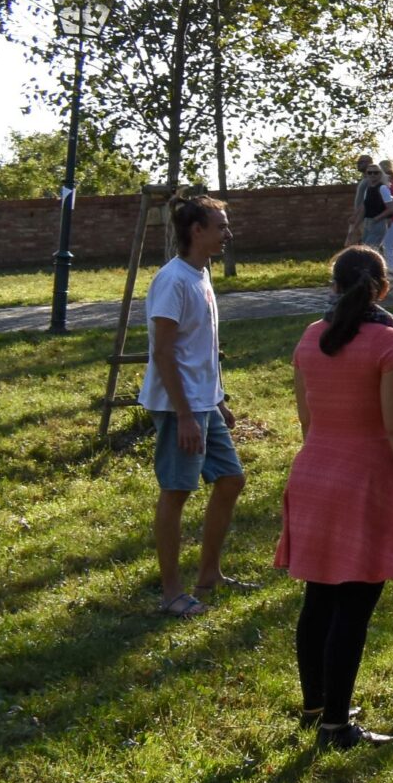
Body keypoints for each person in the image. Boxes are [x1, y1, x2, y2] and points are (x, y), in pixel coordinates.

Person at [278, 245, 393, 750]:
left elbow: (307, 420)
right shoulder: (390, 343)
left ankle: (316, 706)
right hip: (364, 481)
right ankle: (335, 728)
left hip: (313, 474)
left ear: (333, 285)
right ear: (383, 287)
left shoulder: (309, 338)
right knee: (354, 605)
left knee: (319, 597)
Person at [141, 193, 245, 616]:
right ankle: (171, 594)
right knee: (177, 491)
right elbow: (163, 353)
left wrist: (217, 400)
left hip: (204, 403)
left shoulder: (200, 275)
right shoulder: (174, 280)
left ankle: (209, 574)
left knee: (231, 479)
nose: (227, 233)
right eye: (220, 226)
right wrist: (185, 413)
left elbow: (200, 347)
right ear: (196, 231)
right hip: (177, 407)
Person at [347, 157, 393, 262]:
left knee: (368, 250)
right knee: (370, 250)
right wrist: (356, 223)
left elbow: (391, 209)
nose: (372, 175)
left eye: (375, 173)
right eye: (370, 173)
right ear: (367, 174)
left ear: (380, 174)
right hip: (367, 221)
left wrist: (377, 219)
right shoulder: (369, 188)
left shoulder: (382, 188)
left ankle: (374, 272)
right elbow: (364, 206)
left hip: (378, 223)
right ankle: (382, 271)